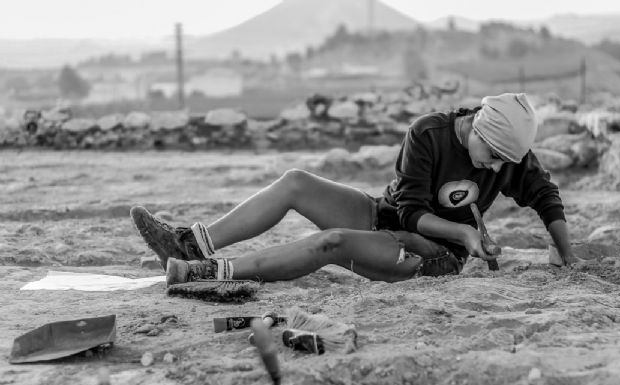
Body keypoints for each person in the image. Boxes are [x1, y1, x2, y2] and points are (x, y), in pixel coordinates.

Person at [131, 92, 578, 285]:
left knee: (333, 243)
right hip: (392, 217)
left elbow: (544, 194)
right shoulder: (429, 134)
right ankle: (192, 245)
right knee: (296, 182)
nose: (497, 167)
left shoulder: (510, 150)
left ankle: (212, 275)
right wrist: (465, 230)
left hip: (432, 254)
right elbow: (405, 210)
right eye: (492, 154)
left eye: (506, 161)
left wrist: (568, 254)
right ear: (477, 124)